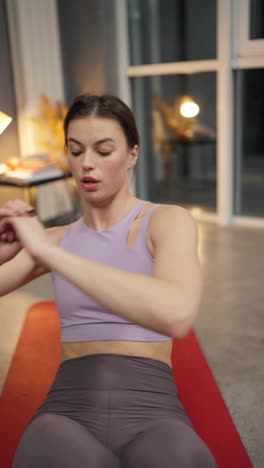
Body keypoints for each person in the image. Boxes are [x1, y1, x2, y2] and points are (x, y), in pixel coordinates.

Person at [0, 94, 216, 468]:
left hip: (154, 410)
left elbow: (178, 314)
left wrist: (50, 255)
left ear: (132, 154)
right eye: (76, 150)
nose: (87, 164)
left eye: (103, 150)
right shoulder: (52, 240)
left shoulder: (166, 221)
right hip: (68, 410)